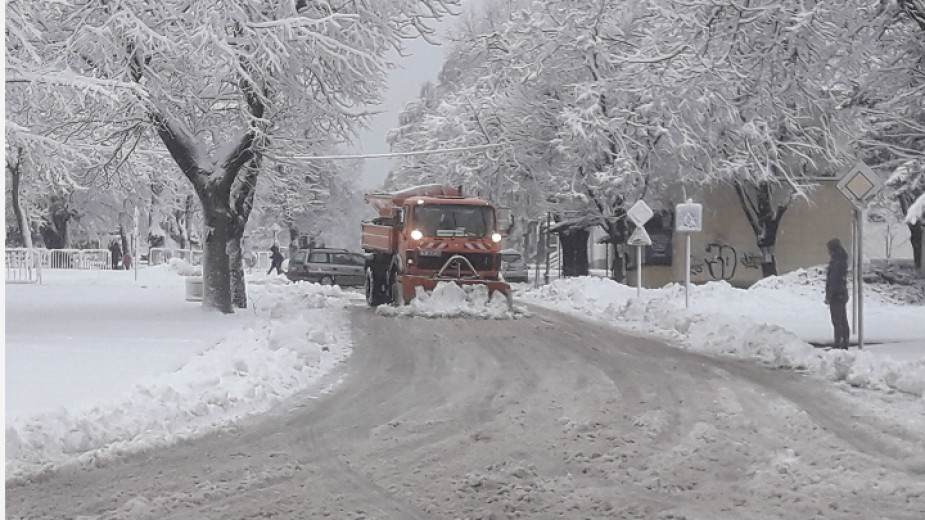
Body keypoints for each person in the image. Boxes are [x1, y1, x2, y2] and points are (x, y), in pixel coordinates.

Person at [825, 238, 850, 349]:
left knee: (837, 320)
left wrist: (829, 295)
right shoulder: (842, 259)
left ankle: (838, 343)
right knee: (843, 319)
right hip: (842, 293)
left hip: (837, 294)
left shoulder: (836, 261)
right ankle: (845, 341)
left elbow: (833, 279)